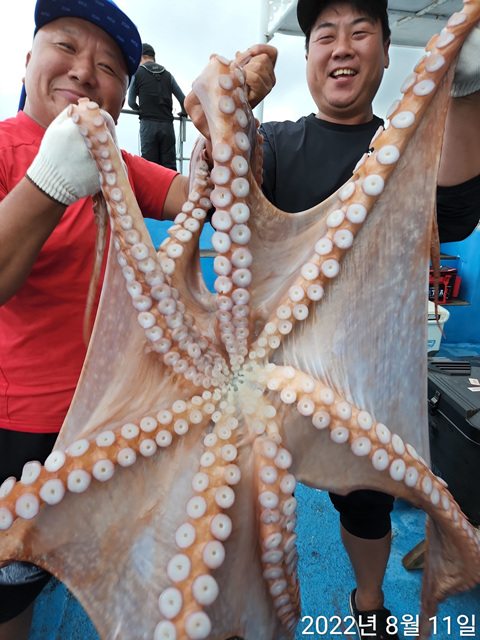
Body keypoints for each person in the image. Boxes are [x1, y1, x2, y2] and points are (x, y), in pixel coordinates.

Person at [0, 0, 277, 638]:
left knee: (124, 566)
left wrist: (228, 119)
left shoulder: (117, 167)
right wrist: (48, 183)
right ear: (29, 57)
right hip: (24, 428)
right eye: (66, 46)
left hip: (119, 411)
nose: (84, 71)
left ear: (122, 94)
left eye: (107, 66)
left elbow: (203, 196)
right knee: (11, 593)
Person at [259, 1, 480, 639]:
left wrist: (465, 90)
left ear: (386, 52)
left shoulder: (408, 151)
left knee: (366, 504)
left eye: (360, 33)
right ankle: (252, 606)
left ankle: (369, 601)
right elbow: (230, 200)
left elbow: (453, 212)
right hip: (277, 374)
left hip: (369, 383)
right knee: (248, 493)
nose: (342, 47)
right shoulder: (274, 145)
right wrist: (224, 119)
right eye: (325, 34)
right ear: (307, 56)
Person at [127, 43, 187, 170]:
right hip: (167, 126)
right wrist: (183, 112)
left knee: (150, 168)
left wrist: (139, 109)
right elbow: (183, 100)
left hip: (148, 125)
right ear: (153, 57)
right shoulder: (167, 74)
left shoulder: (137, 73)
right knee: (169, 168)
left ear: (140, 57)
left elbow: (131, 102)